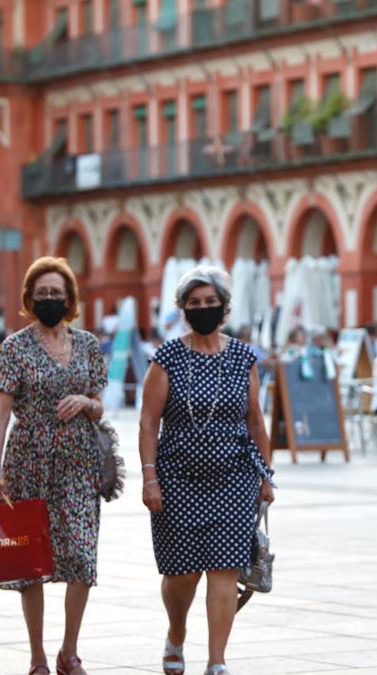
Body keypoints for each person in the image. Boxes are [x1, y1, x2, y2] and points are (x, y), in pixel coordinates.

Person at [139, 266, 275, 675]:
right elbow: (148, 421)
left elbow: (255, 420)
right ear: (183, 309)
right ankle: (176, 632)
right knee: (182, 573)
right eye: (195, 304)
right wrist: (149, 477)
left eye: (210, 303)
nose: (203, 309)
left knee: (224, 569)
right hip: (177, 477)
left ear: (224, 307)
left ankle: (217, 660)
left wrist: (266, 475)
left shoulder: (242, 356)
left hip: (234, 476)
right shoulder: (167, 357)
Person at [0, 257, 107, 675]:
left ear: (70, 298)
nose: (51, 299)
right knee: (32, 562)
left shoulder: (89, 345)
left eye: (57, 293)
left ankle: (68, 651)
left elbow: (100, 404)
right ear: (30, 299)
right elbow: (2, 412)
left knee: (81, 554)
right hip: (28, 461)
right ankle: (38, 656)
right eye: (43, 294)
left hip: (79, 463)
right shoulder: (14, 348)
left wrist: (86, 403)